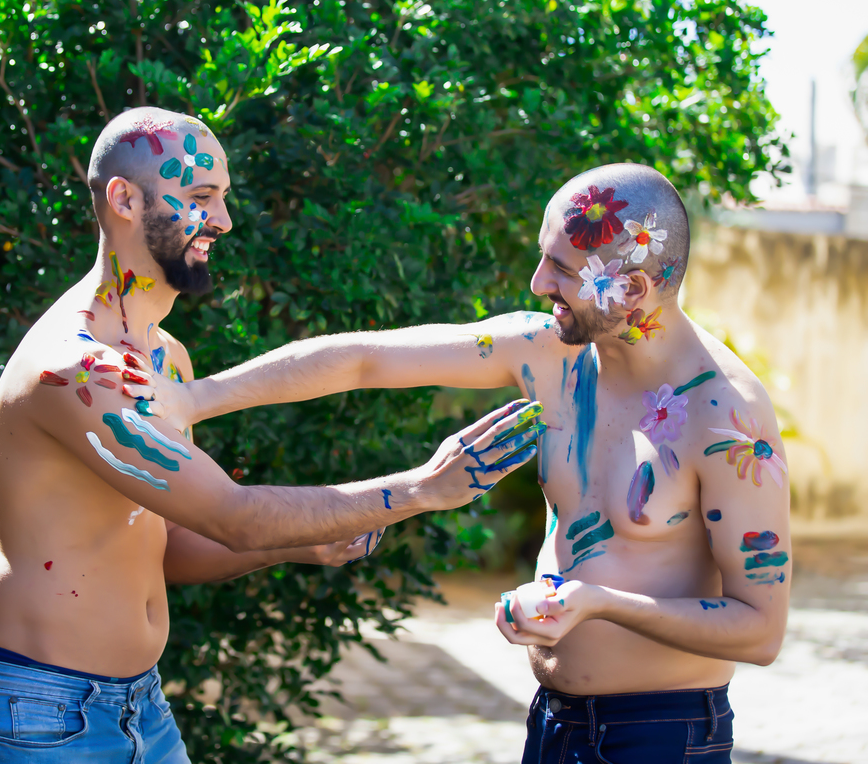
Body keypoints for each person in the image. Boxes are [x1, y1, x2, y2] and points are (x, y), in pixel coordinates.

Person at [0, 106, 542, 762]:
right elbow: (235, 516)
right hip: (37, 713)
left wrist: (300, 544)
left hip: (139, 705)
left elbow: (170, 547)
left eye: (223, 197)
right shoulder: (78, 370)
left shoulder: (165, 359)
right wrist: (423, 488)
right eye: (202, 196)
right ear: (125, 199)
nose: (224, 220)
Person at [145, 163, 790, 764]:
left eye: (561, 269)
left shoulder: (725, 417)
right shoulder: (547, 351)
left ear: (635, 288)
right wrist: (193, 399)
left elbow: (760, 631)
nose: (538, 283)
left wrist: (596, 604)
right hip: (554, 722)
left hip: (666, 733)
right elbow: (363, 359)